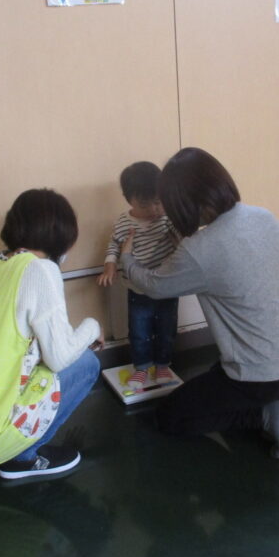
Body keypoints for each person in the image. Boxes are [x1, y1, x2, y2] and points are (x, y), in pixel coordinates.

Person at [120, 148, 279, 458]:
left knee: (170, 417)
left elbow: (155, 286)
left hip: (262, 374)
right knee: (216, 377)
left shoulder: (201, 249)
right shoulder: (263, 216)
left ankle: (265, 415)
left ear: (183, 204)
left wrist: (127, 259)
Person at [0, 188, 104, 480]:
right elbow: (59, 358)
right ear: (62, 234)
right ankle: (23, 459)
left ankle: (11, 447)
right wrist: (93, 327)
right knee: (87, 363)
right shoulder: (41, 270)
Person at [97, 162, 180, 389]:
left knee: (166, 330)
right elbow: (114, 245)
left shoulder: (167, 218)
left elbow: (185, 238)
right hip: (137, 289)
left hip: (167, 287)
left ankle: (163, 365)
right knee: (139, 331)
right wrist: (109, 266)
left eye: (158, 201)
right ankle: (141, 367)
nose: (154, 209)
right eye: (145, 204)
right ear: (129, 200)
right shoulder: (124, 222)